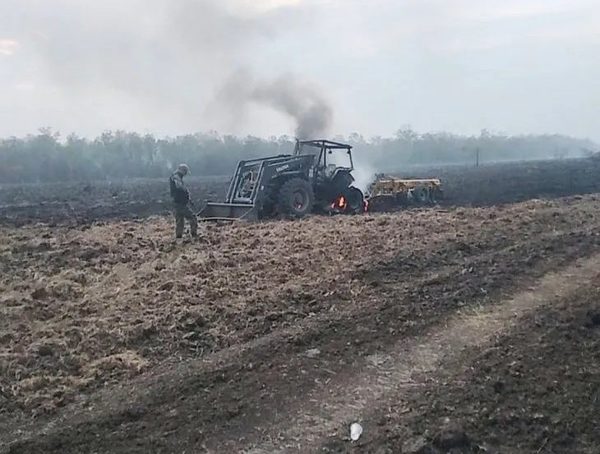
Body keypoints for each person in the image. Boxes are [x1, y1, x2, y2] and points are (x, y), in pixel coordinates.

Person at [169, 163, 198, 239]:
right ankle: (194, 235)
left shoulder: (176, 177)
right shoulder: (176, 177)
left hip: (177, 202)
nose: (185, 174)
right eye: (185, 172)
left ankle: (178, 237)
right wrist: (185, 192)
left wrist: (188, 199)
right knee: (193, 217)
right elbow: (179, 187)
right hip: (180, 203)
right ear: (183, 171)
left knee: (180, 221)